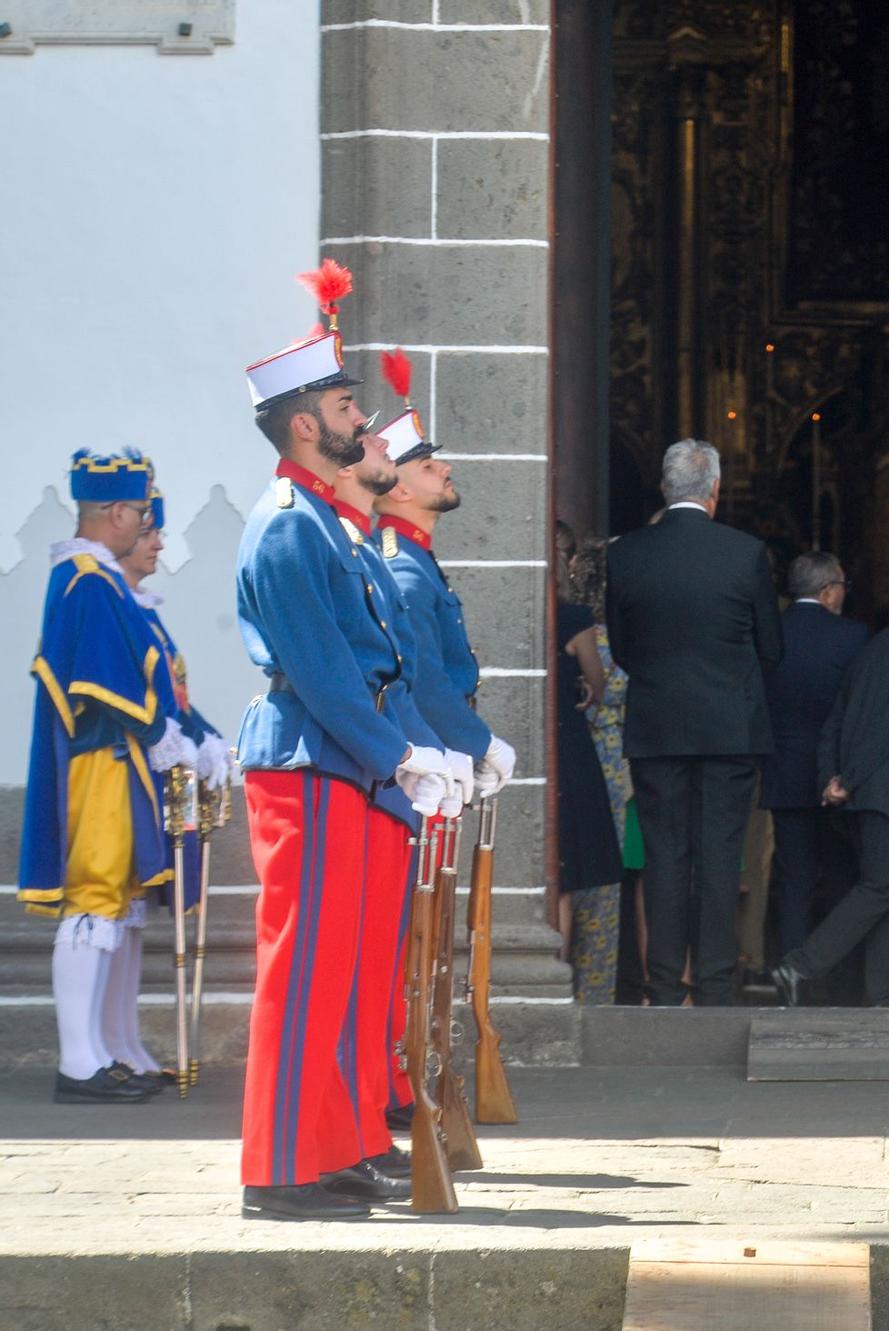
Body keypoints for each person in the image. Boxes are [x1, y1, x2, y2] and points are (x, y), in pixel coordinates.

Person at [234, 262, 468, 1220]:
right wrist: (399, 752)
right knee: (305, 974)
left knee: (344, 972)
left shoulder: (328, 527)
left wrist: (410, 748)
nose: (358, 422)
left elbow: (374, 668)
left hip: (344, 760)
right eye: (342, 404)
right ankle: (279, 1163)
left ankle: (332, 1141)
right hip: (311, 758)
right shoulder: (289, 527)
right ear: (303, 425)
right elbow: (325, 669)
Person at [19, 449, 187, 1105]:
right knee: (94, 897)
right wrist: (157, 730)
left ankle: (106, 1050)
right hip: (101, 759)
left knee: (115, 901)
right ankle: (81, 1060)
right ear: (117, 512)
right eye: (143, 513)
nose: (148, 525)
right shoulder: (85, 580)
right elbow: (98, 672)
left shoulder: (99, 580)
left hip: (120, 759)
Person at [372, 384, 523, 1107]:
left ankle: (406, 1073)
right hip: (422, 765)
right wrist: (475, 743)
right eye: (427, 463)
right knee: (410, 936)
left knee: (418, 937)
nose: (444, 468)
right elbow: (425, 682)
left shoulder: (417, 558)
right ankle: (397, 1076)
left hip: (439, 761)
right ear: (396, 483)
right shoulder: (403, 565)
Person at [607, 438, 784, 1006]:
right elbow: (771, 648)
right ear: (715, 490)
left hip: (657, 725)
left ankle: (662, 984)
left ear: (664, 488)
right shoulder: (745, 552)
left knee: (663, 857)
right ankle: (713, 983)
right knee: (718, 854)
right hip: (730, 728)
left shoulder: (628, 553)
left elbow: (624, 647)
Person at [770, 570, 889, 1008]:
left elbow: (836, 720)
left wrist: (831, 779)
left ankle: (883, 994)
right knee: (879, 888)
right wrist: (849, 780)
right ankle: (800, 965)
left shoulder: (873, 646)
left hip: (857, 793)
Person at [116, 483, 233, 1093]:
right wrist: (166, 737)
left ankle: (123, 1044)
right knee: (112, 912)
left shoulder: (146, 610)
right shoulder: (116, 606)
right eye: (150, 531)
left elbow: (176, 698)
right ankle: (103, 1050)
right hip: (120, 773)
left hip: (158, 774)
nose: (160, 542)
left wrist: (208, 738)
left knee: (130, 916)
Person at [762, 552, 870, 964]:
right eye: (842, 586)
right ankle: (839, 974)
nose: (844, 595)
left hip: (784, 771)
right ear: (827, 591)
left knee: (794, 883)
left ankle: (793, 977)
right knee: (843, 877)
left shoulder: (771, 632)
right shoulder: (852, 636)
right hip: (837, 778)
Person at [553, 521, 625, 1003]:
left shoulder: (540, 614)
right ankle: (591, 989)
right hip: (585, 754)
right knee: (592, 873)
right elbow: (596, 686)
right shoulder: (576, 618)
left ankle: (552, 978)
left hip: (546, 747)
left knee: (560, 870)